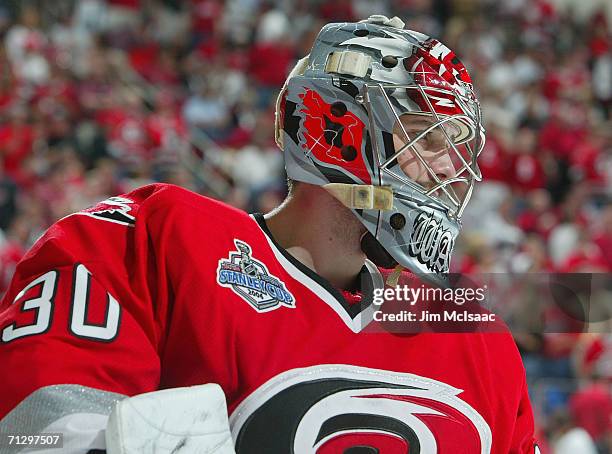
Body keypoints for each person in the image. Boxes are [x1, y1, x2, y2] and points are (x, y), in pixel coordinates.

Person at [0, 15, 538, 453]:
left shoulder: (470, 335)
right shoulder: (157, 239)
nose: (449, 168)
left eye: (456, 147)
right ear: (338, 133)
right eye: (424, 139)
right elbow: (28, 429)